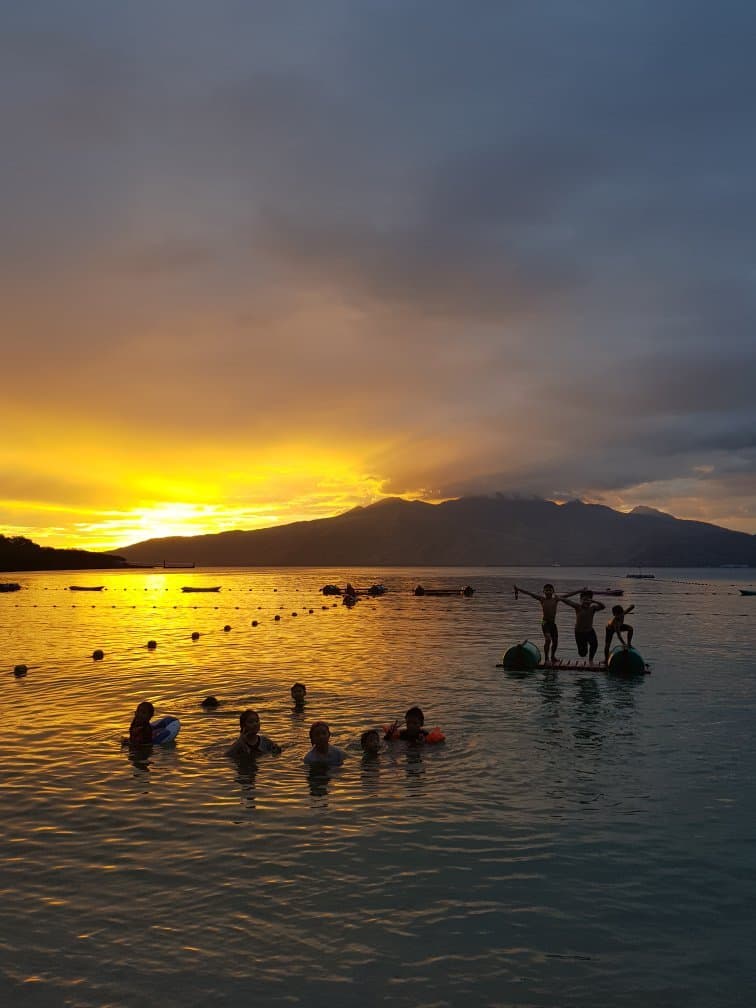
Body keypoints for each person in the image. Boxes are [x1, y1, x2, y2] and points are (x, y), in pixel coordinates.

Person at [513, 582, 564, 663]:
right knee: (548, 639)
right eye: (546, 590)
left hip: (553, 624)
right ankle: (546, 658)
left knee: (555, 641)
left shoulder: (556, 599)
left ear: (553, 591)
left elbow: (568, 596)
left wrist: (580, 591)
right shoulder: (542, 599)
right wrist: (518, 589)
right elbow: (530, 593)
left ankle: (553, 657)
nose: (548, 592)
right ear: (544, 591)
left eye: (550, 590)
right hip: (545, 623)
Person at [557, 589, 605, 664]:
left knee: (594, 645)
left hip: (589, 631)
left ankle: (590, 660)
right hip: (579, 633)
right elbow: (569, 602)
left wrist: (594, 601)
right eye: (584, 600)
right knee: (582, 653)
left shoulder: (593, 608)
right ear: (580, 600)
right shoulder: (578, 607)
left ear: (591, 601)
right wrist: (560, 598)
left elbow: (603, 606)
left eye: (588, 600)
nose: (586, 602)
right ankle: (584, 646)